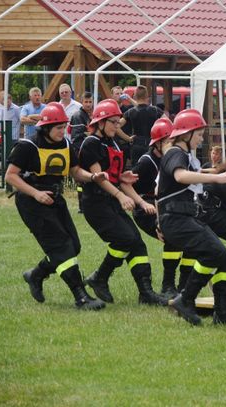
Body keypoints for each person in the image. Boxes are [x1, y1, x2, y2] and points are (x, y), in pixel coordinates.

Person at [5, 102, 106, 310]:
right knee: (61, 246)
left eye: (64, 127)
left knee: (73, 246)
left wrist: (93, 176)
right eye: (59, 127)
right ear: (46, 127)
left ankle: (36, 275)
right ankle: (81, 296)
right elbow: (11, 176)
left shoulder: (67, 145)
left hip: (55, 199)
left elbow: (75, 171)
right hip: (31, 202)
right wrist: (36, 193)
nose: (63, 131)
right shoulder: (27, 146)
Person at [157, 109, 226, 326]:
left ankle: (221, 313)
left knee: (222, 257)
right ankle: (186, 300)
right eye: (199, 134)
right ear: (186, 134)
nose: (201, 138)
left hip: (183, 217)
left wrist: (219, 172)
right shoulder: (175, 153)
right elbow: (180, 176)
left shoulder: (185, 155)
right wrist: (219, 179)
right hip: (176, 219)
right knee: (215, 253)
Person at [79, 99, 165, 306]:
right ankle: (99, 277)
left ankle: (146, 293)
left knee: (137, 244)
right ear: (100, 122)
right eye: (113, 122)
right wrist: (120, 195)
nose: (117, 126)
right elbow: (99, 178)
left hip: (111, 202)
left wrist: (140, 202)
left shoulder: (115, 144)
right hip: (96, 204)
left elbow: (121, 181)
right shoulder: (91, 143)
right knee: (126, 239)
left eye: (118, 122)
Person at [127, 117, 194, 299]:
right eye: (166, 141)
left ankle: (184, 285)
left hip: (165, 207)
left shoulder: (175, 157)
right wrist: (142, 204)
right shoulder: (147, 162)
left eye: (172, 140)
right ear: (156, 144)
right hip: (146, 209)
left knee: (191, 239)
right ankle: (168, 285)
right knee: (172, 238)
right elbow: (127, 185)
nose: (170, 144)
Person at [117, 85, 165, 166]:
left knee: (136, 172)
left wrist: (127, 138)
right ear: (147, 97)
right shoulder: (156, 110)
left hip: (136, 144)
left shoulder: (130, 112)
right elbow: (168, 123)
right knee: (153, 170)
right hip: (152, 144)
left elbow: (116, 126)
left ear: (135, 97)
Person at [69, 91, 94, 213]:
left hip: (85, 150)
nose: (88, 104)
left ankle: (86, 205)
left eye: (90, 102)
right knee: (81, 180)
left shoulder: (89, 115)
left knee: (85, 180)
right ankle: (81, 206)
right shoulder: (79, 115)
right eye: (86, 102)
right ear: (82, 102)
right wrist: (90, 134)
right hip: (79, 150)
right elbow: (76, 136)